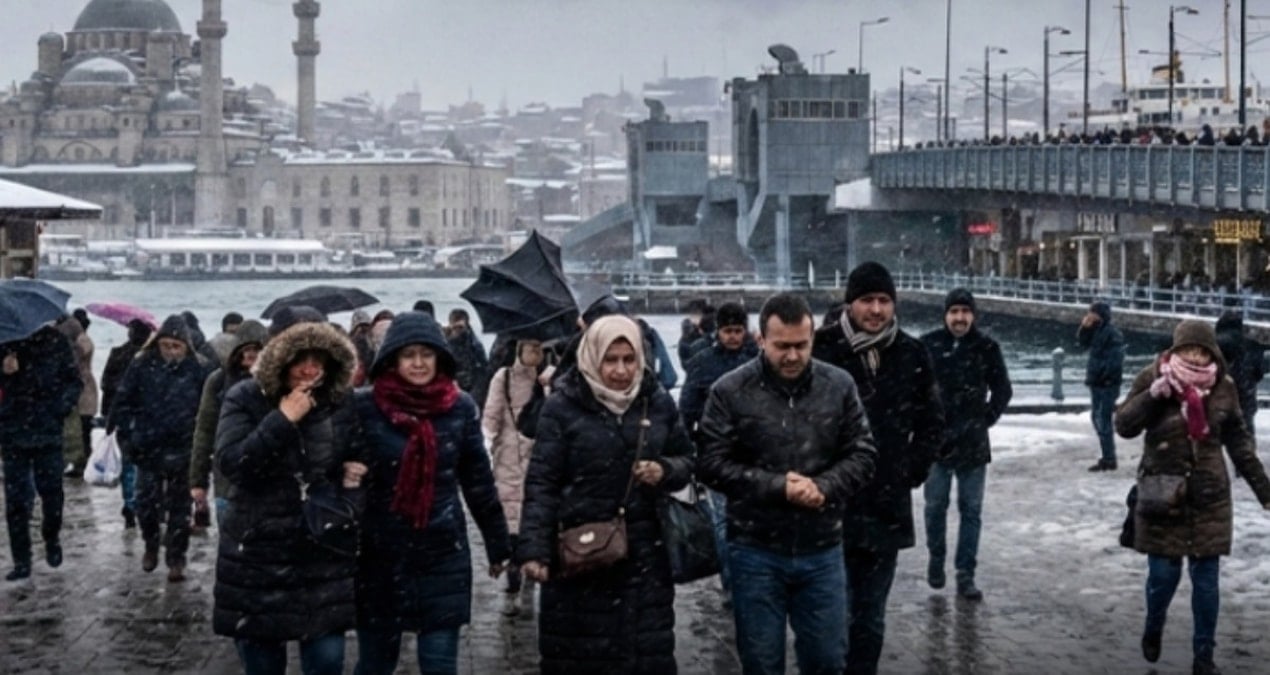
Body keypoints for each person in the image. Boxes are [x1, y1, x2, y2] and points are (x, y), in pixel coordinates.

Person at [698, 293, 877, 675]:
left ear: (813, 339)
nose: (793, 356)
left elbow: (863, 454)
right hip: (755, 549)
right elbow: (711, 464)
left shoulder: (839, 386)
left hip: (822, 547)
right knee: (762, 663)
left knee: (828, 661)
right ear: (760, 340)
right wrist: (777, 486)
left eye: (801, 345)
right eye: (782, 347)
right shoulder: (729, 391)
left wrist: (824, 486)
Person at [516, 314, 697, 674]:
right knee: (580, 656)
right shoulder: (562, 406)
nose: (620, 371)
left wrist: (665, 470)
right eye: (610, 360)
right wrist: (535, 549)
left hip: (646, 556)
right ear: (592, 358)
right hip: (580, 555)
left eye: (629, 360)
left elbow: (688, 459)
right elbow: (542, 482)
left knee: (643, 655)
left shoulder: (656, 401)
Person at [352, 311, 511, 674]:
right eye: (409, 355)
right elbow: (338, 462)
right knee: (376, 662)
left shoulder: (459, 407)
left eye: (427, 354)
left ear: (440, 357)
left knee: (439, 663)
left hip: (442, 551)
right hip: (380, 554)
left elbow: (478, 481)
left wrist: (498, 543)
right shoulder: (365, 406)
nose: (419, 363)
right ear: (393, 359)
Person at [1114, 319, 1270, 675]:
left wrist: (1264, 490)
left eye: (1202, 350)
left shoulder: (1224, 386)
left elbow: (1241, 445)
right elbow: (1123, 425)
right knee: (1162, 579)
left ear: (1212, 351)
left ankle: (1204, 656)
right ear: (1175, 350)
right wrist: (1153, 396)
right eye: (1189, 350)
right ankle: (1154, 626)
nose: (1196, 357)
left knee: (1206, 583)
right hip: (1162, 496)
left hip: (1209, 497)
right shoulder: (1153, 376)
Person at [213, 314, 366, 674]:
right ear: (282, 359)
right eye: (300, 359)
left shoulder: (340, 402)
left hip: (322, 549)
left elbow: (358, 459)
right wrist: (282, 420)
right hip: (259, 550)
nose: (310, 369)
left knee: (327, 660)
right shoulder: (245, 397)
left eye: (319, 360)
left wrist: (350, 497)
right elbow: (232, 463)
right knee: (263, 661)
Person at [812, 261, 944, 675]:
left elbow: (932, 422)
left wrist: (910, 471)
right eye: (867, 300)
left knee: (869, 615)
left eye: (883, 301)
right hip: (829, 503)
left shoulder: (911, 352)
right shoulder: (821, 349)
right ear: (850, 303)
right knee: (829, 612)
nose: (875, 310)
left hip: (886, 502)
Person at [919, 288, 1013, 600]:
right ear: (945, 315)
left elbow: (1003, 389)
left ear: (973, 315)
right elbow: (913, 390)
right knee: (935, 507)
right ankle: (936, 558)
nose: (959, 318)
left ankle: (965, 573)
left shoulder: (986, 347)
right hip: (937, 442)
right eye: (954, 312)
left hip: (973, 443)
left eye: (965, 312)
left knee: (971, 511)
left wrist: (985, 419)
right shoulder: (929, 345)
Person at [110, 315, 206, 581]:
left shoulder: (197, 369)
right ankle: (151, 542)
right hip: (147, 445)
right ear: (158, 344)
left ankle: (176, 557)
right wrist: (126, 435)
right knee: (146, 503)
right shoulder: (141, 366)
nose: (171, 352)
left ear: (186, 346)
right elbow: (123, 400)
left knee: (179, 506)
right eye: (166, 346)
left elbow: (207, 408)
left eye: (177, 347)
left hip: (184, 446)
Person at [677, 301, 758, 599]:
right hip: (718, 453)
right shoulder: (704, 362)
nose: (734, 337)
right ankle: (733, 583)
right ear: (718, 331)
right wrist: (689, 451)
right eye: (728, 331)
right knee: (725, 523)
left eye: (738, 331)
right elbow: (687, 410)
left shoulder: (757, 358)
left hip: (753, 453)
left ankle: (741, 582)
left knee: (741, 522)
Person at [0, 325, 82, 581]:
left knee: (52, 495)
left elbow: (74, 381)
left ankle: (51, 537)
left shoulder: (55, 341)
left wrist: (59, 408)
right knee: (16, 501)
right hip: (13, 431)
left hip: (47, 431)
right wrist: (3, 371)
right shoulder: (4, 342)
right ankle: (22, 560)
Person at [482, 337, 547, 617]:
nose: (536, 352)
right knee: (511, 523)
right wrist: (486, 443)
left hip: (539, 456)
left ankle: (529, 583)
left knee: (534, 520)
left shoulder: (551, 377)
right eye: (531, 347)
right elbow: (491, 414)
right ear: (520, 349)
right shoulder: (504, 377)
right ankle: (513, 580)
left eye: (540, 348)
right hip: (508, 456)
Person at [189, 319, 268, 526]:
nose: (251, 354)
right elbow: (204, 431)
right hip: (227, 479)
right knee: (230, 542)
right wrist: (198, 481)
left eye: (257, 349)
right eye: (246, 348)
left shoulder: (275, 382)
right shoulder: (218, 381)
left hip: (266, 479)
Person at [101, 318, 153, 528]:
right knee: (146, 464)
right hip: (146, 418)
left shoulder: (117, 353)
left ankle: (130, 503)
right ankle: (142, 503)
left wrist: (108, 417)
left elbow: (106, 384)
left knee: (128, 464)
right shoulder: (150, 358)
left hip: (123, 416)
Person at [1078, 301, 1126, 471]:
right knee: (1097, 417)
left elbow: (1115, 359)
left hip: (1107, 383)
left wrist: (1106, 376)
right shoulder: (1096, 330)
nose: (1089, 315)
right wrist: (1084, 328)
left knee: (1103, 419)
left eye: (1092, 313)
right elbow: (1082, 344)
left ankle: (1109, 458)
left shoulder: (1112, 334)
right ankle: (1107, 454)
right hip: (1097, 381)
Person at [1215, 312, 1265, 440]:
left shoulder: (1215, 343)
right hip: (1245, 400)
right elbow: (1259, 374)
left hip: (1219, 399)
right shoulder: (1253, 346)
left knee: (1211, 443)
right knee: (1245, 443)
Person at [446, 308, 491, 407]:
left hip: (470, 389)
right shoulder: (444, 341)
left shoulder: (475, 345)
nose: (457, 331)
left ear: (466, 326)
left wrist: (474, 398)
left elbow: (482, 373)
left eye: (460, 328)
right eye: (454, 327)